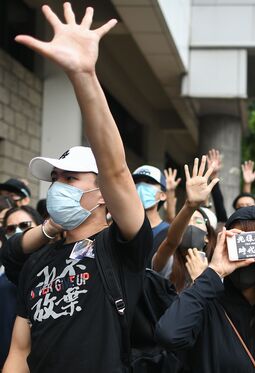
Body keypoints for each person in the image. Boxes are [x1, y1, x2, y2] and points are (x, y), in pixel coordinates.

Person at [2, 4, 150, 372]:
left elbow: (115, 169)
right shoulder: (37, 261)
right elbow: (20, 352)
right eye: (55, 179)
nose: (58, 187)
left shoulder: (121, 248)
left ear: (103, 194)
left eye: (70, 178)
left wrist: (83, 75)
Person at [155, 204, 255, 372]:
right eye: (238, 245)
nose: (247, 259)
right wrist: (214, 272)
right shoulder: (205, 308)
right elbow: (168, 335)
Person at [151, 156, 219, 292]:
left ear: (207, 236)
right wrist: (190, 205)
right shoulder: (166, 264)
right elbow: (171, 241)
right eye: (188, 220)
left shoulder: (218, 270)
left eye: (198, 221)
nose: (191, 225)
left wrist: (202, 279)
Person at [0, 206, 43, 368]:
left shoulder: (62, 270)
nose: (19, 232)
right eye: (11, 228)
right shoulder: (3, 286)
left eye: (25, 225)